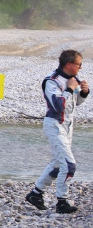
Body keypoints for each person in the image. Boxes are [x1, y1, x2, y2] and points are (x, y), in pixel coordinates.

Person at [25, 49, 89, 214]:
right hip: (54, 125)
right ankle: (62, 201)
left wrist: (84, 92)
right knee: (69, 165)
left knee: (57, 164)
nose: (81, 67)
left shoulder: (73, 79)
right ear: (69, 65)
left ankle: (35, 194)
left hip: (68, 126)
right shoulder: (51, 81)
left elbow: (75, 103)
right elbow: (58, 105)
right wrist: (69, 89)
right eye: (79, 64)